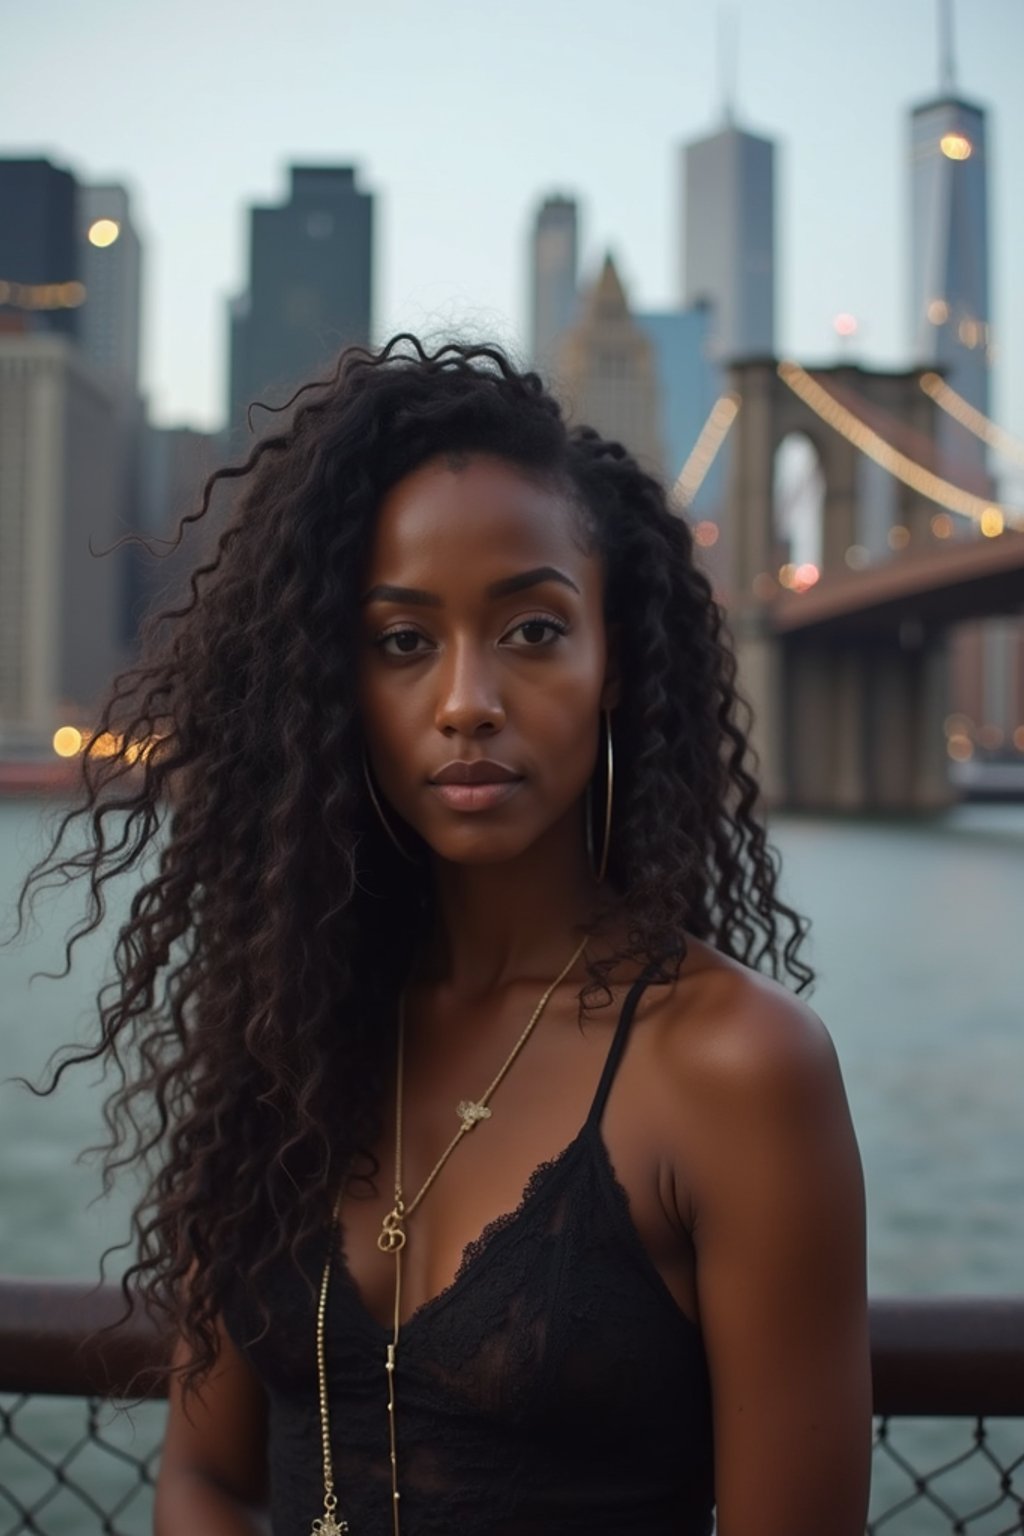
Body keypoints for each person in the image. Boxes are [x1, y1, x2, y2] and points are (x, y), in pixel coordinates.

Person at [21, 336, 871, 1535]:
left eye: (531, 631)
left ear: (613, 661)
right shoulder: (290, 1027)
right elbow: (207, 1475)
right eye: (403, 642)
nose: (467, 699)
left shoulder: (737, 1066)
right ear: (337, 682)